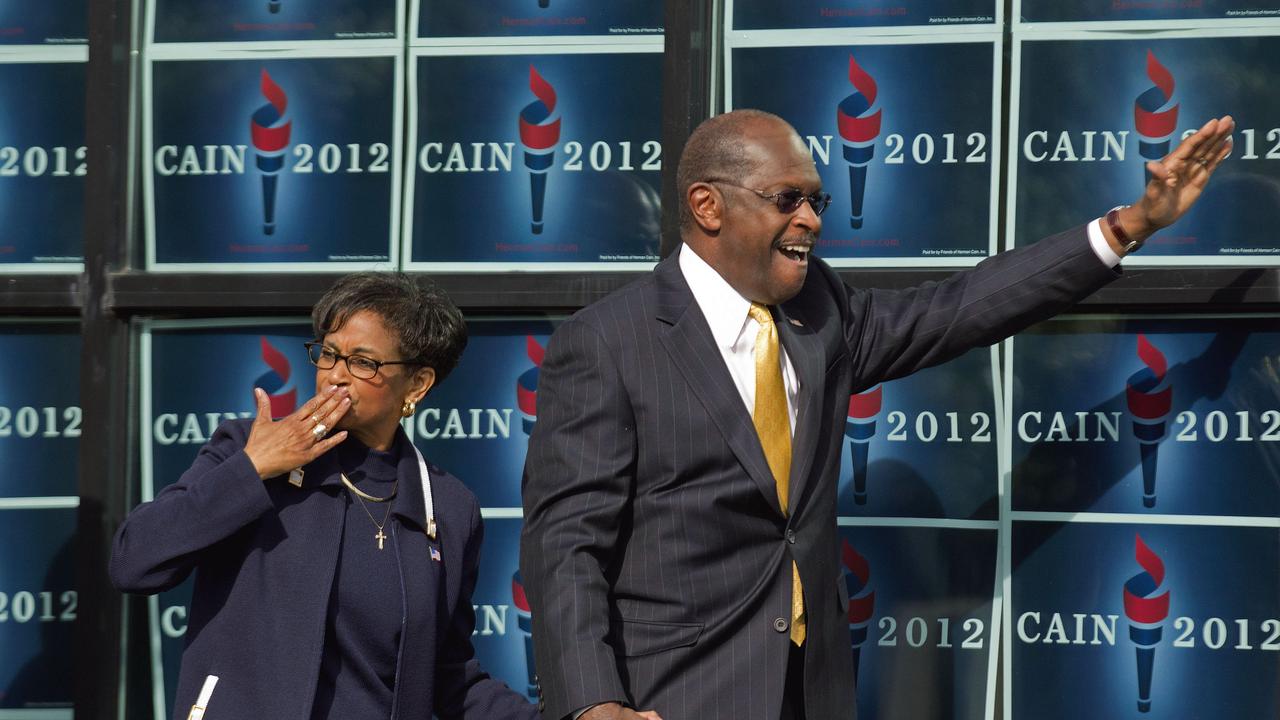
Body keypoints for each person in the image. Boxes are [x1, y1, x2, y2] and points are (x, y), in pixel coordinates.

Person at [519, 109, 1234, 720]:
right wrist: (594, 703)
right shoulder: (608, 343)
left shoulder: (818, 313)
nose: (810, 221)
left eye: (818, 202)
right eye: (787, 199)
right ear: (708, 206)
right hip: (673, 697)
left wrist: (1130, 225)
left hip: (815, 690)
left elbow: (960, 308)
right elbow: (564, 545)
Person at [111, 273, 539, 720]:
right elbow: (133, 562)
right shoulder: (248, 448)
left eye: (363, 362)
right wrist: (252, 469)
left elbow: (447, 677)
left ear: (416, 385)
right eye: (329, 354)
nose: (335, 375)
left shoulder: (448, 507)